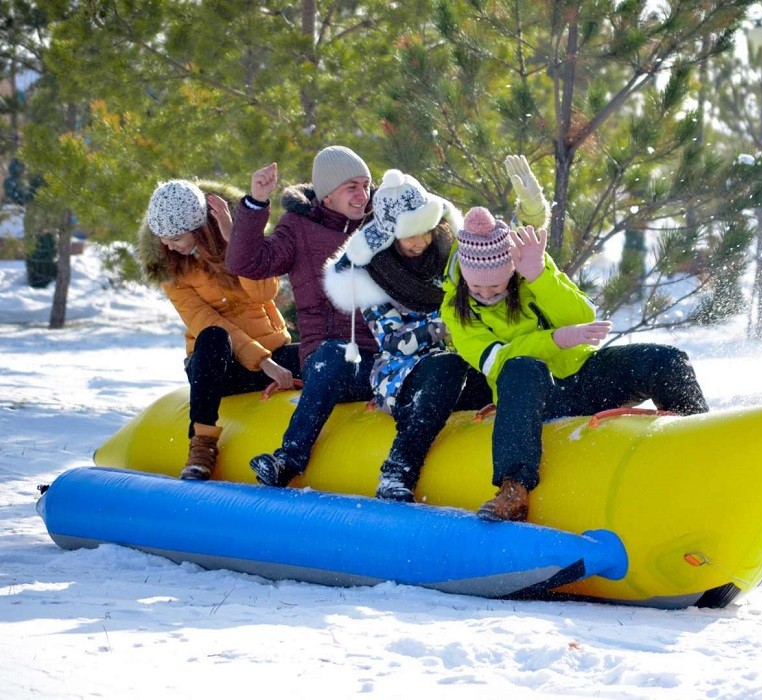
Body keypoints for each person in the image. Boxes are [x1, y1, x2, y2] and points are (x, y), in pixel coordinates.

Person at [442, 206, 710, 521]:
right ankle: (514, 490)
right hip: (536, 400)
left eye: (496, 286)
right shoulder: (454, 309)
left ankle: (703, 444)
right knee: (521, 366)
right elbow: (496, 360)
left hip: (583, 377)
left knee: (666, 360)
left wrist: (541, 276)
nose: (487, 294)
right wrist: (557, 340)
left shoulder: (530, 269)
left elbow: (582, 315)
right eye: (477, 288)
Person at [323, 156, 550, 502]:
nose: (418, 242)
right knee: (448, 366)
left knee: (504, 369)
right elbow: (394, 341)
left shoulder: (451, 252)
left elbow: (498, 247)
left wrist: (531, 210)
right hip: (405, 372)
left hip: (466, 358)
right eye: (407, 236)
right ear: (389, 236)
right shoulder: (374, 276)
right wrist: (443, 324)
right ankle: (399, 468)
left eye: (423, 231)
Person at [225, 146, 380, 487]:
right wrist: (255, 204)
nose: (362, 195)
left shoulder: (382, 224)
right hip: (329, 358)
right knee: (331, 357)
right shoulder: (299, 227)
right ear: (326, 195)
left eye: (366, 185)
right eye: (351, 187)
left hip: (383, 360)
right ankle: (288, 459)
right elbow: (245, 263)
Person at [138, 179, 301, 481]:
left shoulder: (238, 237)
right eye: (162, 238)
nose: (167, 245)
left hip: (272, 353)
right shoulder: (170, 270)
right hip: (218, 371)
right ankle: (201, 446)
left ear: (198, 227)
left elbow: (265, 292)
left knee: (324, 355)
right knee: (213, 337)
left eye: (174, 236)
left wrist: (235, 240)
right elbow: (206, 322)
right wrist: (264, 362)